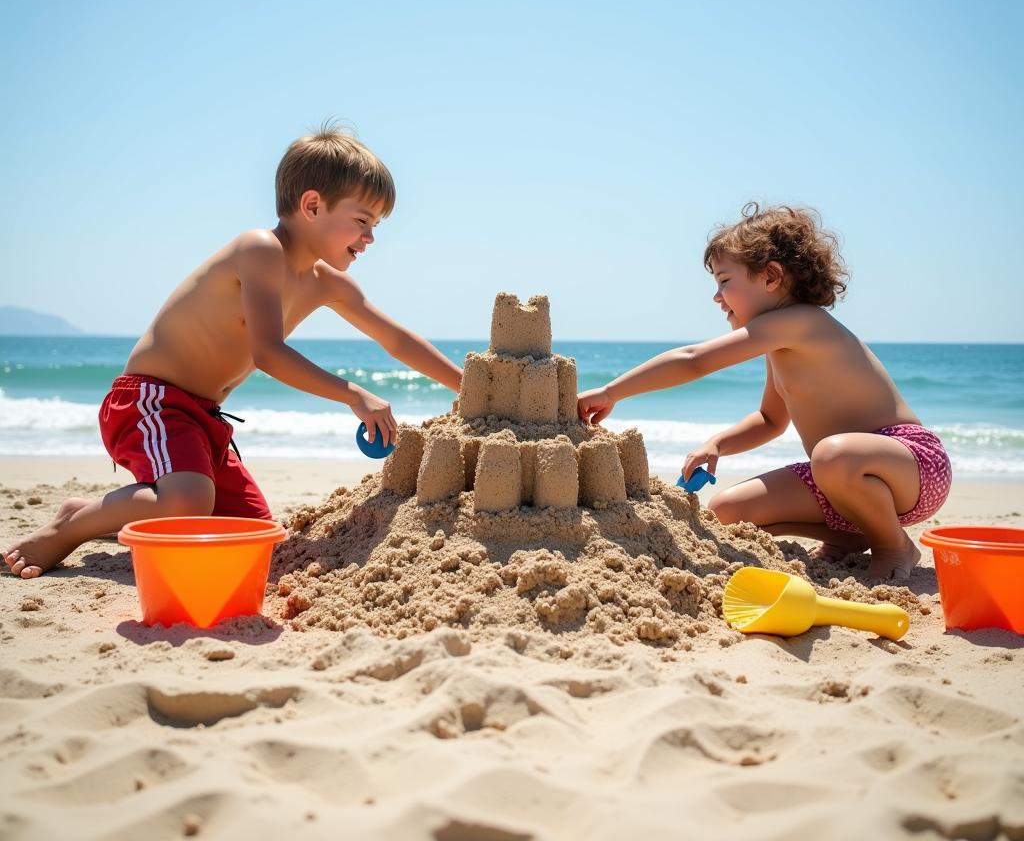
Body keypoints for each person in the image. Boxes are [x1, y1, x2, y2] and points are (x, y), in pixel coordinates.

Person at [4, 125, 463, 579]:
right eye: (362, 222)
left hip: (205, 419)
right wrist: (354, 394)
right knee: (188, 502)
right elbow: (268, 352)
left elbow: (396, 340)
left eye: (376, 226)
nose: (370, 238)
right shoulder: (260, 249)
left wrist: (468, 385)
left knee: (252, 534)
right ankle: (72, 523)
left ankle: (130, 514)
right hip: (151, 402)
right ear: (312, 205)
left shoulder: (329, 283)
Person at [577, 203, 951, 581]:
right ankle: (850, 536)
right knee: (724, 511)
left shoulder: (802, 323)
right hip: (837, 479)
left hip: (912, 466)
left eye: (725, 281)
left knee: (832, 455)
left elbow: (694, 360)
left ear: (771, 276)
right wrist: (718, 445)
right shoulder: (778, 347)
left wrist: (612, 391)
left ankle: (893, 546)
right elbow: (771, 419)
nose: (716, 297)